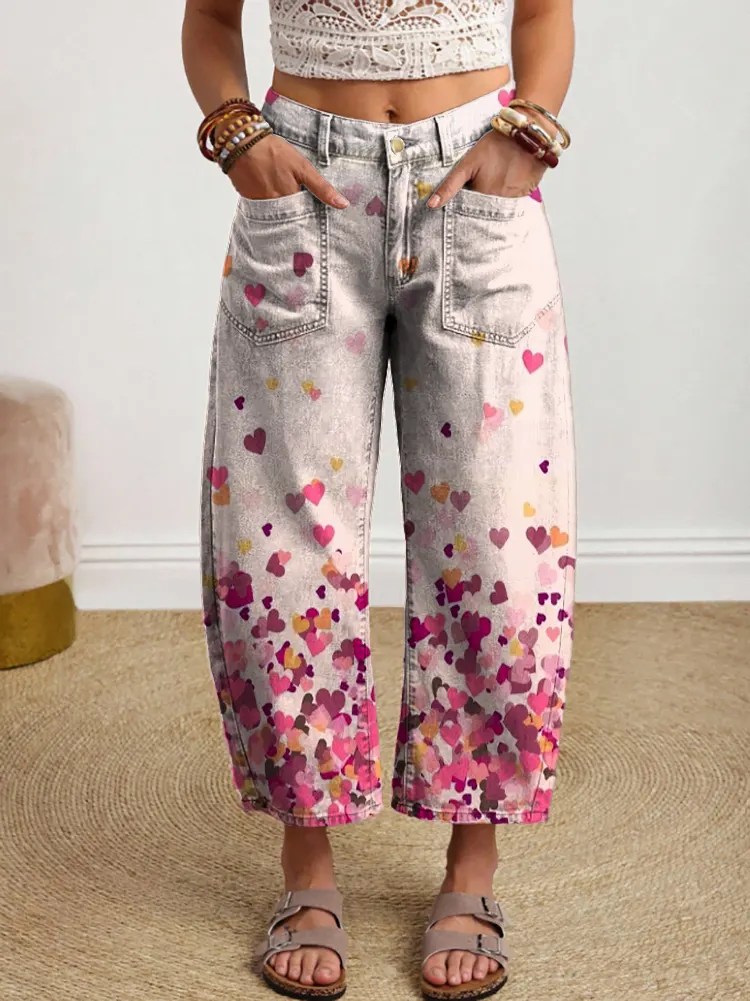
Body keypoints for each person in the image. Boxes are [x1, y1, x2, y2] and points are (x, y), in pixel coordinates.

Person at [183, 0, 576, 997]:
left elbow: (545, 12)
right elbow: (210, 20)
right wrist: (238, 139)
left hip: (476, 177)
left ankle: (472, 865)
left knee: (494, 539)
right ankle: (306, 863)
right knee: (283, 542)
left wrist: (529, 130)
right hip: (302, 186)